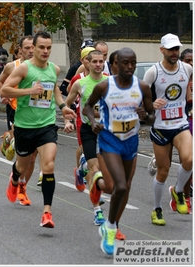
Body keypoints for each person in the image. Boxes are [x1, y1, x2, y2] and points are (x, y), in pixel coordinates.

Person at [0, 31, 76, 228]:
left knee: (48, 165)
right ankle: (15, 177)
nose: (45, 51)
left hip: (47, 125)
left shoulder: (54, 69)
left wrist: (63, 107)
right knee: (22, 165)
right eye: (41, 47)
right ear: (33, 48)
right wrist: (29, 91)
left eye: (49, 47)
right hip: (25, 126)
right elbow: (4, 90)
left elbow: (56, 92)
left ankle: (47, 213)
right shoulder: (24, 69)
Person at [84, 47, 155, 255]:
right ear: (115, 64)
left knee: (126, 186)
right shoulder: (105, 86)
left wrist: (145, 116)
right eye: (125, 63)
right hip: (109, 140)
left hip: (130, 141)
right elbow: (88, 106)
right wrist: (93, 121)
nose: (130, 67)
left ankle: (110, 224)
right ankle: (112, 227)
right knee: (120, 186)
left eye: (133, 63)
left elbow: (152, 117)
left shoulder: (142, 87)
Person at [143, 33, 193, 225]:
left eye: (177, 49)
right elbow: (141, 94)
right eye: (171, 49)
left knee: (189, 159)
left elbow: (188, 90)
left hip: (180, 123)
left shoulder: (187, 68)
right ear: (162, 49)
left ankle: (179, 191)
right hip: (161, 127)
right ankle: (157, 209)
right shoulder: (153, 72)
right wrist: (151, 104)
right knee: (163, 171)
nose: (174, 52)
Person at [65, 50, 109, 227]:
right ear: (88, 64)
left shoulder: (110, 82)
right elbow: (67, 104)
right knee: (95, 170)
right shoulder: (80, 83)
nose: (98, 64)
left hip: (106, 131)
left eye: (101, 61)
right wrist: (68, 120)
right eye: (95, 62)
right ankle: (97, 210)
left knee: (104, 172)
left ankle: (82, 167)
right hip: (88, 129)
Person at [0, 35, 35, 206]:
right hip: (16, 112)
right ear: (20, 50)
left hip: (35, 114)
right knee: (22, 153)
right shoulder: (12, 66)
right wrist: (5, 96)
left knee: (33, 157)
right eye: (27, 48)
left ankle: (23, 186)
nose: (31, 51)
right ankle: (10, 138)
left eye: (34, 47)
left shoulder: (43, 67)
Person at [64, 46, 95, 192]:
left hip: (99, 118)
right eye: (88, 59)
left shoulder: (105, 77)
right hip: (81, 116)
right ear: (83, 61)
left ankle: (82, 168)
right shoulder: (78, 78)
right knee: (83, 148)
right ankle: (81, 171)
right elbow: (70, 91)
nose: (92, 62)